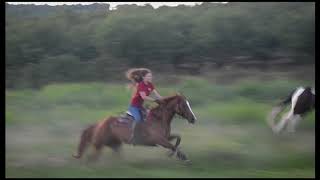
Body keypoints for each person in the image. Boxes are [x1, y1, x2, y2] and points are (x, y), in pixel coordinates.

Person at [126, 68, 163, 144]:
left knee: (151, 117)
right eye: (148, 76)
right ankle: (133, 137)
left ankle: (147, 135)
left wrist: (164, 100)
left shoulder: (150, 85)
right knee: (138, 120)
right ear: (143, 77)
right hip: (134, 107)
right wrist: (155, 100)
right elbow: (144, 97)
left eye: (151, 76)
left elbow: (157, 95)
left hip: (141, 106)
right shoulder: (141, 85)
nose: (150, 78)